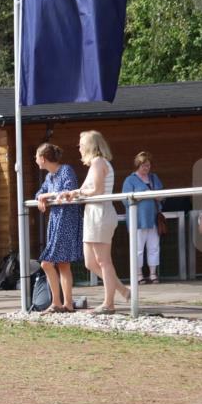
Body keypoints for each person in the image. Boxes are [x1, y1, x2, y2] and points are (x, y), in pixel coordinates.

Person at [63, 130, 129, 314]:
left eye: (82, 144)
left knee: (103, 260)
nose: (79, 147)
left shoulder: (99, 162)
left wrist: (78, 193)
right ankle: (122, 290)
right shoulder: (94, 164)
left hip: (101, 212)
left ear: (90, 145)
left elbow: (97, 190)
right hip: (92, 213)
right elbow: (85, 188)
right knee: (90, 262)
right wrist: (72, 193)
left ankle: (109, 304)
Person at [34, 143, 83, 313]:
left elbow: (68, 191)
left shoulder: (66, 170)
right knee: (62, 264)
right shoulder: (49, 177)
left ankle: (58, 302)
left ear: (43, 158)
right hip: (56, 220)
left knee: (47, 263)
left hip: (67, 220)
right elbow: (40, 192)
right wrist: (41, 196)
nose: (35, 160)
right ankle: (65, 304)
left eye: (36, 157)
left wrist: (45, 196)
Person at [122, 152, 165, 284]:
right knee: (138, 248)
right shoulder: (130, 180)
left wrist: (153, 194)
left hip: (153, 220)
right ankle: (139, 275)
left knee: (154, 247)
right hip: (138, 220)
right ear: (138, 165)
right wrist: (142, 195)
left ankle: (153, 274)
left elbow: (162, 196)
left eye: (148, 165)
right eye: (143, 166)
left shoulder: (154, 178)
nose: (146, 168)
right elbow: (125, 200)